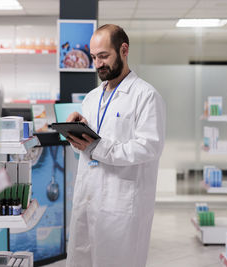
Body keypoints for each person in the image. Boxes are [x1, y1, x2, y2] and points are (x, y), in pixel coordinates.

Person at [65, 24, 166, 267]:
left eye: (103, 56)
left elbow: (149, 147)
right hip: (87, 202)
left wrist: (96, 146)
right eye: (93, 57)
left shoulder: (146, 96)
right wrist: (76, 138)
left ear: (123, 50)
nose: (98, 63)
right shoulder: (91, 98)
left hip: (121, 207)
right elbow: (87, 153)